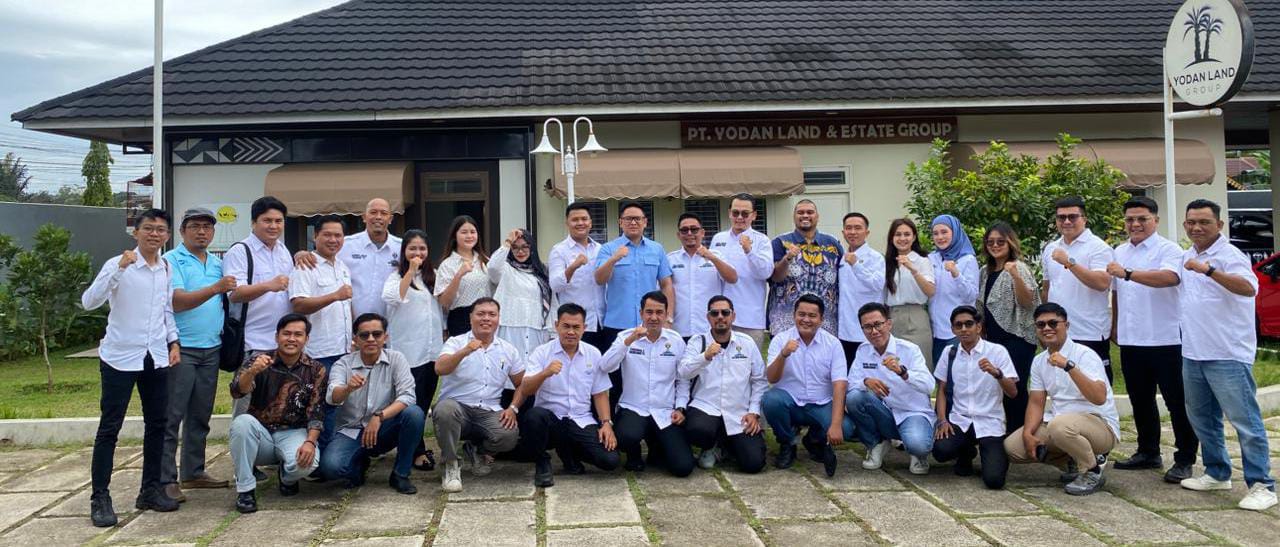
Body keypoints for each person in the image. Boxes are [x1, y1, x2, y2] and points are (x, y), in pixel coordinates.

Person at [81, 208, 182, 527]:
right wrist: (119, 269)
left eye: (161, 230)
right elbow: (89, 301)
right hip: (120, 357)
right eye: (148, 228)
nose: (154, 234)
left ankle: (150, 490)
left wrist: (173, 341)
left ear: (167, 236)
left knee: (158, 425)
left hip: (155, 356)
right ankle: (100, 497)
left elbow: (166, 309)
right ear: (136, 232)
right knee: (110, 427)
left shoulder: (165, 267)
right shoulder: (118, 264)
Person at [1177, 199, 1276, 511]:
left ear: (1219, 225)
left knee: (1244, 420)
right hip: (1194, 351)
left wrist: (1209, 270)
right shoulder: (1187, 255)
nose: (1196, 227)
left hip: (1228, 353)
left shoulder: (1229, 255)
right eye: (1191, 222)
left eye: (1204, 222)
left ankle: (1262, 484)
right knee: (1203, 418)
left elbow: (1249, 288)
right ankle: (1217, 472)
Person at [1107, 196, 1197, 483]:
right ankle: (1148, 451)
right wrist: (1115, 325)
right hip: (1132, 339)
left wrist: (1128, 273)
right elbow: (1117, 292)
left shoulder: (1168, 249)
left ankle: (1185, 458)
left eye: (1142, 219)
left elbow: (1169, 278)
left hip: (1166, 338)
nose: (1135, 224)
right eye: (1130, 219)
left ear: (1155, 221)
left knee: (1177, 402)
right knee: (1141, 400)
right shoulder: (1120, 251)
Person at [160, 207, 237, 503]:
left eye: (207, 226)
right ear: (182, 231)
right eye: (195, 226)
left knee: (201, 414)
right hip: (181, 348)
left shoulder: (217, 263)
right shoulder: (172, 260)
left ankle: (193, 471)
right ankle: (166, 479)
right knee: (172, 415)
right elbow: (177, 301)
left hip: (212, 348)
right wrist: (215, 288)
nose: (202, 231)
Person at [1003, 303, 1119, 496]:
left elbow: (1099, 397)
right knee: (1013, 447)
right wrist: (1028, 433)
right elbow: (1036, 402)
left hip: (1099, 424)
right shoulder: (1039, 361)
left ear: (1066, 325)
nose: (1047, 328)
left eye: (1053, 323)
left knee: (1059, 426)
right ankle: (1073, 461)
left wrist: (1069, 366)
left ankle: (1092, 471)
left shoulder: (1085, 354)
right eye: (1041, 325)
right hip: (1061, 424)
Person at [227, 314, 326, 514]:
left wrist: (310, 442)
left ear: (306, 339)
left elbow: (317, 410)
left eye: (298, 334)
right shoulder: (258, 361)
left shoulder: (316, 369)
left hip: (293, 431)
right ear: (276, 336)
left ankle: (287, 477)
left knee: (308, 464)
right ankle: (245, 490)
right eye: (286, 334)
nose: (291, 339)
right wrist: (252, 372)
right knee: (241, 423)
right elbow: (237, 391)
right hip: (260, 432)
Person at [319, 313, 424, 495]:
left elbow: (407, 396)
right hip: (351, 430)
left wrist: (379, 416)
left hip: (383, 428)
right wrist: (347, 388)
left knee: (414, 414)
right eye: (364, 335)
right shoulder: (343, 364)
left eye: (376, 334)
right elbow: (332, 397)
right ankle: (359, 464)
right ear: (355, 339)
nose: (370, 339)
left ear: (385, 337)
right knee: (331, 468)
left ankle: (400, 474)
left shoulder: (396, 359)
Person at [518, 303, 620, 487]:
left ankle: (569, 454)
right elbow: (526, 389)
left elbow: (600, 393)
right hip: (552, 420)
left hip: (580, 419)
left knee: (610, 460)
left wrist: (606, 423)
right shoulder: (542, 352)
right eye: (566, 326)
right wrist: (545, 373)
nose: (571, 332)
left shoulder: (593, 353)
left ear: (584, 328)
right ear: (556, 325)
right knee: (534, 416)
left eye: (576, 327)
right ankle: (542, 462)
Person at [434, 297, 524, 493]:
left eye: (492, 314)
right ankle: (450, 464)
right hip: (458, 407)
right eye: (480, 314)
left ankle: (478, 451)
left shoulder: (508, 349)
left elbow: (521, 384)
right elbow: (440, 368)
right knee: (445, 410)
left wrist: (513, 408)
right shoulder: (456, 342)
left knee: (509, 434)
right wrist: (465, 351)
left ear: (498, 318)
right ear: (471, 317)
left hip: (488, 410)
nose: (486, 318)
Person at [600, 292, 694, 477]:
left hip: (664, 411)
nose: (654, 317)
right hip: (634, 407)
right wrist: (629, 341)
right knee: (626, 436)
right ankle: (633, 454)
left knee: (683, 467)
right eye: (649, 312)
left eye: (659, 312)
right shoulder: (626, 337)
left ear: (666, 314)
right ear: (641, 313)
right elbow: (605, 366)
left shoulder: (675, 340)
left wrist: (680, 408)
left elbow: (683, 379)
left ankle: (656, 449)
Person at [761, 294, 855, 477]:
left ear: (821, 319)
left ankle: (814, 440)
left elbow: (839, 385)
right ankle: (787, 443)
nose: (806, 319)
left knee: (845, 428)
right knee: (771, 400)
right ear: (794, 315)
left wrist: (835, 425)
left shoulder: (833, 344)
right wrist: (783, 355)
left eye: (812, 316)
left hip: (821, 403)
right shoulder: (781, 340)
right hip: (791, 402)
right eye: (801, 314)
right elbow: (772, 378)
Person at [594, 201, 675, 407]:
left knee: (649, 375)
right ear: (620, 222)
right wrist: (614, 259)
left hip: (649, 325)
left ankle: (645, 417)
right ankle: (614, 420)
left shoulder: (657, 249)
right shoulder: (609, 248)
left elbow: (666, 284)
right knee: (614, 379)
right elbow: (600, 279)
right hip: (617, 324)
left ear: (645, 222)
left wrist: (668, 318)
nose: (633, 222)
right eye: (628, 219)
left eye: (637, 219)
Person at [677, 295, 768, 473]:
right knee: (697, 430)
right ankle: (712, 445)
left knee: (753, 463)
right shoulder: (698, 342)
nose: (720, 317)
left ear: (733, 316)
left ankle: (725, 447)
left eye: (725, 313)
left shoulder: (746, 343)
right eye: (715, 313)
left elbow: (759, 381)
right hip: (706, 407)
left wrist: (754, 412)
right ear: (708, 317)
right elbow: (683, 372)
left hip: (738, 412)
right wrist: (705, 357)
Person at [931, 306, 1018, 489]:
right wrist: (942, 420)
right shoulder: (950, 352)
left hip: (989, 421)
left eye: (968, 324)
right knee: (941, 451)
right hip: (960, 419)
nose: (964, 329)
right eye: (958, 325)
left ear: (978, 327)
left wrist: (997, 374)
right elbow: (942, 389)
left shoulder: (997, 351)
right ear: (953, 329)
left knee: (994, 481)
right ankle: (966, 453)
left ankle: (993, 456)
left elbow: (1013, 392)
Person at [846, 303, 936, 475]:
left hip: (912, 413)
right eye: (867, 327)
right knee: (854, 397)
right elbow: (850, 383)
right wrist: (866, 381)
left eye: (878, 324)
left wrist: (903, 372)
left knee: (918, 445)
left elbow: (929, 385)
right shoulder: (863, 350)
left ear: (889, 324)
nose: (874, 331)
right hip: (884, 413)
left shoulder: (909, 349)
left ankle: (917, 454)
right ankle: (876, 444)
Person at [225, 196, 295, 414]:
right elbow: (234, 293)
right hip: (252, 344)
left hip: (282, 343)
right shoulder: (240, 251)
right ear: (254, 222)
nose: (273, 226)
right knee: (246, 408)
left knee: (279, 408)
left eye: (278, 221)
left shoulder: (283, 251)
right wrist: (269, 285)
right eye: (267, 220)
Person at [289, 214, 354, 449]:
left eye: (338, 235)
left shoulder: (342, 266)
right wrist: (334, 295)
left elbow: (346, 307)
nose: (333, 240)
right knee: (318, 406)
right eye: (327, 234)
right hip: (319, 352)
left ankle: (330, 454)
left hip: (343, 350)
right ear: (315, 236)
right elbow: (298, 304)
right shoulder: (306, 266)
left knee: (337, 405)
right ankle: (315, 456)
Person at [382, 229, 445, 471]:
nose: (417, 253)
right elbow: (394, 297)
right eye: (412, 248)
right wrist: (410, 271)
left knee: (425, 399)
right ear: (404, 251)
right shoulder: (394, 277)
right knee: (411, 402)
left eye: (422, 248)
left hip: (432, 350)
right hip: (408, 351)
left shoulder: (433, 276)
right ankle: (414, 452)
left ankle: (414, 446)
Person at [1041, 196, 1114, 381]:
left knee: (1095, 386)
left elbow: (1102, 283)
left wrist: (1069, 262)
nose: (1066, 221)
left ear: (1084, 219)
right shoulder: (1050, 248)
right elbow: (1047, 288)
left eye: (1072, 216)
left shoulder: (1098, 247)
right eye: (1061, 217)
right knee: (1060, 386)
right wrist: (1044, 325)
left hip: (1089, 332)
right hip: (1058, 332)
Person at [976, 222, 1040, 433]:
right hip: (993, 340)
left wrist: (1015, 276)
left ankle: (1022, 434)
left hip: (1017, 338)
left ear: (1010, 243)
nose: (995, 245)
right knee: (999, 387)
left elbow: (1028, 302)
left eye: (1000, 241)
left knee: (1015, 388)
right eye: (990, 242)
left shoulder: (1018, 267)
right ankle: (1004, 434)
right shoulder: (985, 271)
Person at [296, 198, 402, 318]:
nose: (378, 217)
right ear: (364, 217)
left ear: (390, 219)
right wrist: (301, 254)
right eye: (373, 212)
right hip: (352, 322)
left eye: (383, 213)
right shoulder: (345, 244)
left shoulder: (401, 247)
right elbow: (321, 255)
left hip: (391, 320)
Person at [768, 200, 843, 336]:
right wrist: (787, 258)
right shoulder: (780, 242)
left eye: (810, 212)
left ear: (817, 217)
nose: (805, 215)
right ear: (794, 217)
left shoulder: (832, 244)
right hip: (786, 320)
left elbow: (844, 278)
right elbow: (775, 277)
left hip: (826, 320)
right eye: (800, 212)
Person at [709, 193, 773, 349]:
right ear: (729, 213)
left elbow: (765, 273)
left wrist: (749, 251)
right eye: (735, 212)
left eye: (745, 214)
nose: (739, 217)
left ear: (754, 215)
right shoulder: (718, 239)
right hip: (720, 317)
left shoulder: (762, 240)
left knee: (749, 363)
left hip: (749, 319)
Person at [668, 213, 737, 339]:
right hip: (679, 329)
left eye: (694, 229)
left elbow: (733, 278)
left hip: (709, 329)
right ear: (678, 235)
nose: (689, 233)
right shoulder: (671, 259)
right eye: (684, 230)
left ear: (702, 233)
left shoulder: (716, 256)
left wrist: (712, 258)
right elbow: (665, 291)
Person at [548, 202, 606, 350]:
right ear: (567, 223)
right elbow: (555, 285)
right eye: (575, 220)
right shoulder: (559, 250)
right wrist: (573, 266)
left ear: (590, 223)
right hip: (574, 326)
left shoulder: (600, 249)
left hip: (602, 321)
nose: (580, 223)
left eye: (584, 219)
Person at [489, 228, 556, 353]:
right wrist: (508, 242)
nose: (520, 251)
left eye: (525, 247)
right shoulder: (506, 269)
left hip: (537, 329)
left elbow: (552, 304)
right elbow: (493, 268)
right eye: (515, 247)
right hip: (510, 328)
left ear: (532, 248)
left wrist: (554, 332)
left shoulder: (542, 271)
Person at [927, 215, 979, 367]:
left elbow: (971, 295)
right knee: (940, 376)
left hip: (958, 330)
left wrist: (956, 274)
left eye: (944, 232)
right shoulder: (932, 258)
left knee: (958, 375)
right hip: (935, 331)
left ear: (955, 232)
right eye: (935, 233)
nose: (940, 237)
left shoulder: (967, 259)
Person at [837, 212, 885, 365]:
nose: (852, 232)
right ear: (843, 232)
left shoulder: (876, 257)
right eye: (848, 228)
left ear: (867, 232)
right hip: (844, 330)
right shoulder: (842, 257)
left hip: (868, 331)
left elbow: (877, 285)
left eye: (858, 228)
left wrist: (856, 265)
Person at [436, 215, 494, 337]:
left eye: (473, 232)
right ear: (454, 236)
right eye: (464, 232)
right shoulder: (447, 264)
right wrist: (459, 275)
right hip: (461, 319)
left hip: (486, 317)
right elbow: (444, 302)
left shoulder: (485, 260)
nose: (469, 236)